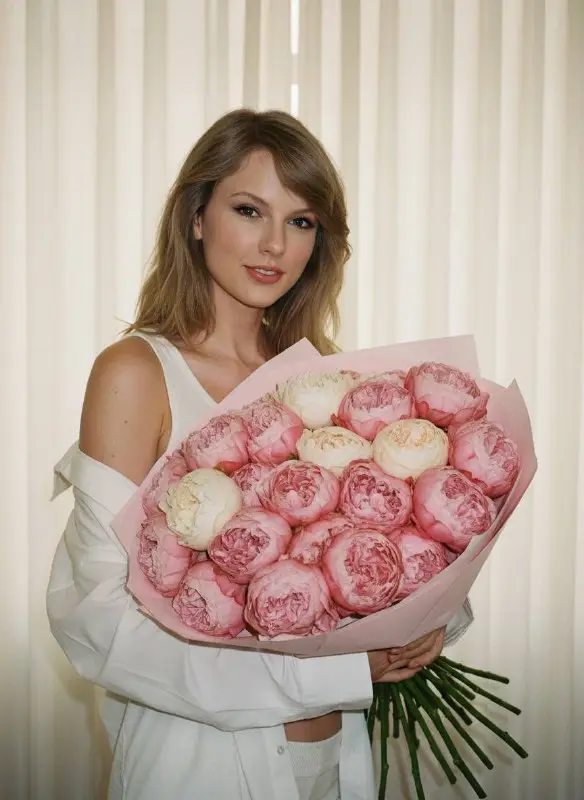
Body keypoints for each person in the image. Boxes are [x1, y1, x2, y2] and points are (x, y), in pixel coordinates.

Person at [47, 108, 472, 800]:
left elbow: (403, 560)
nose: (274, 243)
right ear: (196, 216)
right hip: (196, 766)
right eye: (250, 210)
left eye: (302, 221)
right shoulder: (137, 372)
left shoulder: (328, 385)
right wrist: (334, 672)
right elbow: (96, 621)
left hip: (338, 758)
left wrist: (430, 621)